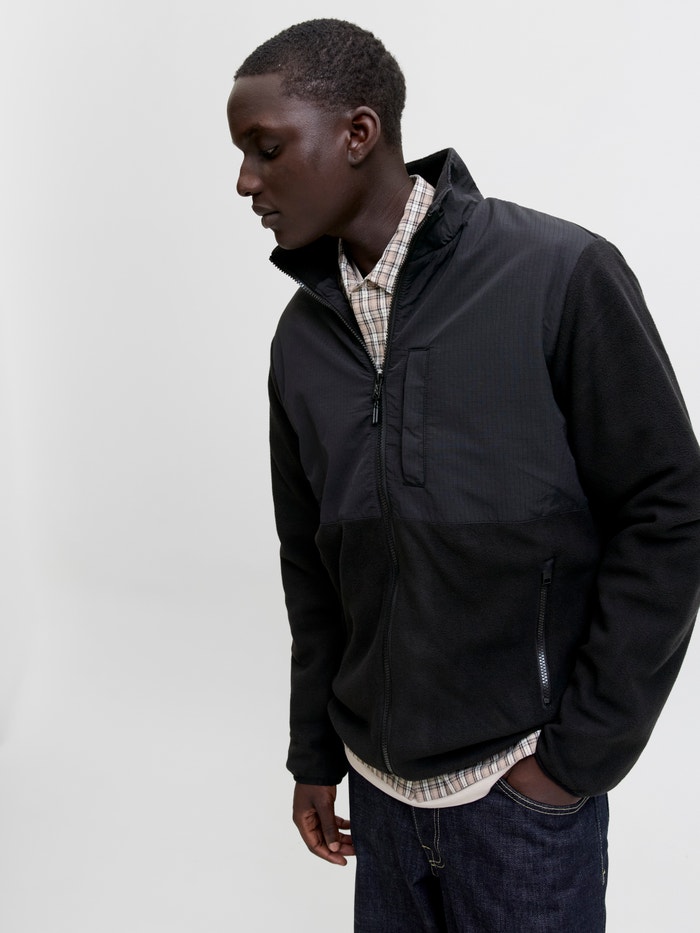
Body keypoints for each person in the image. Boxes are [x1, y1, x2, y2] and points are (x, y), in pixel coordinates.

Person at [226, 18, 700, 932]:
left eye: (267, 148)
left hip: (522, 804)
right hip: (378, 798)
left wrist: (573, 761)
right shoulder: (301, 339)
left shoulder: (561, 274)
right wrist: (313, 752)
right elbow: (311, 563)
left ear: (359, 133)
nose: (246, 180)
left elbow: (669, 512)